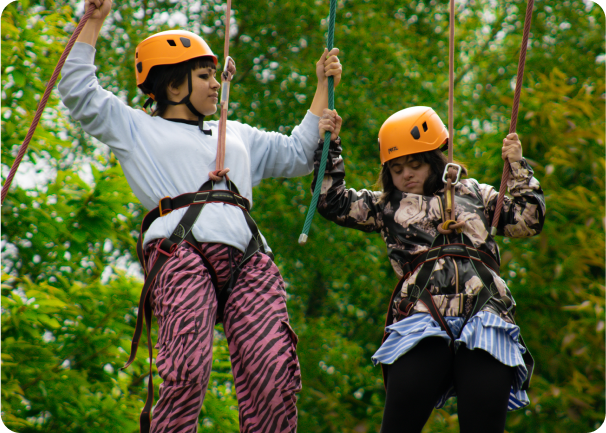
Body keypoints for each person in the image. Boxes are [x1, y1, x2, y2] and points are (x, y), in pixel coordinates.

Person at [58, 0, 342, 432]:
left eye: (213, 75)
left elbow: (301, 152)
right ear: (173, 87)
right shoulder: (137, 129)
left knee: (273, 373)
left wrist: (322, 85)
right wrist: (93, 22)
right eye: (204, 76)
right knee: (186, 369)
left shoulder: (238, 136)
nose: (216, 84)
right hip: (181, 254)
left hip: (249, 259)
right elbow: (79, 90)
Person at [313, 106, 545, 433]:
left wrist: (518, 166)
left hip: (485, 314)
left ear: (434, 159)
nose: (406, 174)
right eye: (396, 168)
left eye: (415, 163)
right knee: (399, 422)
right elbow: (331, 202)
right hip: (423, 316)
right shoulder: (386, 206)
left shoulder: (476, 194)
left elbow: (529, 220)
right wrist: (330, 145)